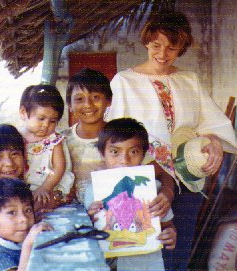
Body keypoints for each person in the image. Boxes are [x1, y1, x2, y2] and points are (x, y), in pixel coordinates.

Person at [106, 11, 237, 270]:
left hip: (187, 177)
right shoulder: (125, 81)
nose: (163, 53)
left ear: (182, 48)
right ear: (146, 42)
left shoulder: (188, 80)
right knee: (145, 254)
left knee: (179, 253)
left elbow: (210, 122)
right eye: (156, 45)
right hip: (144, 180)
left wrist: (213, 140)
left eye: (172, 47)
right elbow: (116, 135)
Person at [86, 118, 176, 271]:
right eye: (115, 152)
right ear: (102, 154)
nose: (124, 160)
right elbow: (85, 232)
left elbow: (168, 225)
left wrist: (170, 234)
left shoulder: (153, 188)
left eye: (133, 152)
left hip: (144, 265)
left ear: (143, 154)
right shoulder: (93, 189)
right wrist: (89, 218)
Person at [0, 178, 53, 271]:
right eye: (12, 212)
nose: (24, 219)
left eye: (28, 210)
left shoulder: (13, 243)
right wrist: (28, 245)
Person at [19, 84, 74, 209]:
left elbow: (59, 167)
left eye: (53, 121)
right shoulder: (16, 137)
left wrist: (45, 188)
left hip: (49, 185)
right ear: (23, 113)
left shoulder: (54, 140)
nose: (46, 125)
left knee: (38, 204)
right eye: (41, 118)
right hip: (24, 188)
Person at [63, 68, 113, 204]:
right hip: (74, 214)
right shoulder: (60, 141)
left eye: (96, 97)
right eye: (79, 99)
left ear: (109, 100)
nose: (88, 105)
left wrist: (167, 191)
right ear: (70, 105)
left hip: (112, 210)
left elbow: (154, 168)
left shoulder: (121, 136)